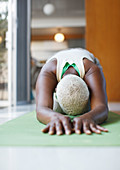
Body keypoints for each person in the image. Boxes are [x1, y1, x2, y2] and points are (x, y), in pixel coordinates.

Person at [36, 48, 108, 135]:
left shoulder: (91, 69)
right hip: (57, 59)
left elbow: (102, 106)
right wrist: (54, 117)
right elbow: (41, 108)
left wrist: (90, 117)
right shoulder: (48, 70)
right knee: (55, 110)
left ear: (87, 86)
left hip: (86, 60)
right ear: (56, 88)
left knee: (90, 108)